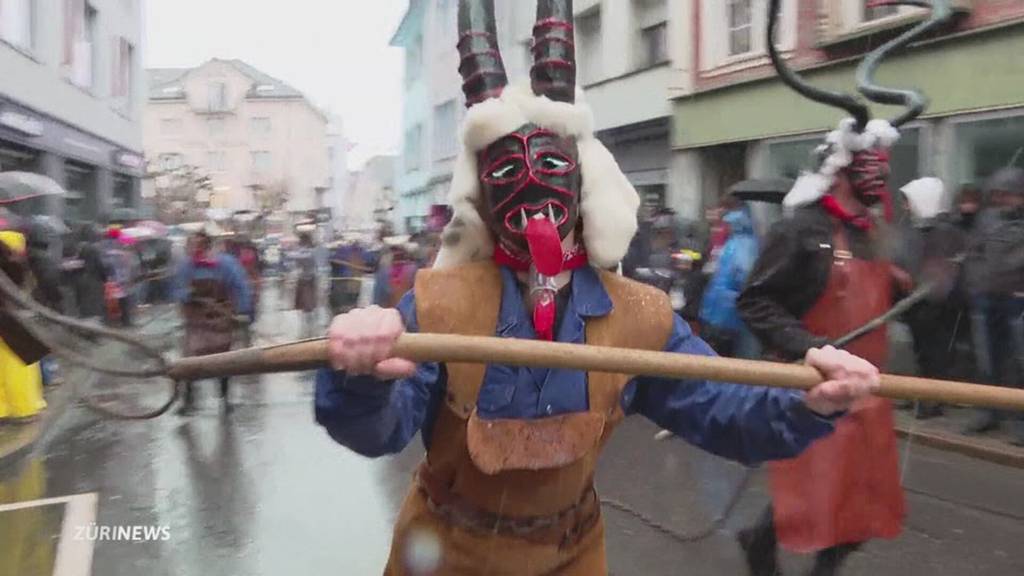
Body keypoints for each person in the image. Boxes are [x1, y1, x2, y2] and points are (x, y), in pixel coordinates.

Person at [314, 3, 880, 574]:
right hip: (443, 553)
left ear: (583, 181)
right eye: (508, 172)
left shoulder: (640, 316)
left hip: (571, 554)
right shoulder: (440, 302)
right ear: (482, 195)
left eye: (553, 167)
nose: (534, 188)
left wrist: (808, 402)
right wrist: (361, 376)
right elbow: (379, 430)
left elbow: (723, 410)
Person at [733, 2, 946, 573]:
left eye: (886, 160)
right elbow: (753, 299)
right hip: (815, 388)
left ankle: (820, 567)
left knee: (862, 505)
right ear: (847, 165)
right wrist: (809, 348)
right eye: (871, 161)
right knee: (810, 496)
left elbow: (909, 294)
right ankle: (759, 549)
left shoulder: (878, 232)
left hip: (869, 392)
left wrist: (930, 263)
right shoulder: (801, 229)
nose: (882, 170)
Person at [895, 178, 967, 419]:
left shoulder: (946, 232)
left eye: (908, 202)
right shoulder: (913, 229)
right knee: (922, 352)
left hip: (935, 304)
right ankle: (922, 395)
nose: (905, 207)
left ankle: (932, 400)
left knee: (934, 353)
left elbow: (946, 270)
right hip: (915, 303)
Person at [962, 167, 1024, 445]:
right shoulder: (987, 219)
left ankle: (1020, 421)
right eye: (997, 194)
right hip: (986, 297)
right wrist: (976, 286)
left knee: (1020, 362)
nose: (1000, 199)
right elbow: (973, 253)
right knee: (987, 360)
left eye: (1006, 194)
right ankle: (987, 412)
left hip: (1016, 300)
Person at [174, 231, 252, 414]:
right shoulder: (186, 266)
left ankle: (225, 400)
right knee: (190, 359)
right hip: (197, 320)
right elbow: (177, 289)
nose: (193, 249)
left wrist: (243, 311)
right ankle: (188, 401)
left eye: (197, 245)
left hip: (221, 318)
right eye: (191, 245)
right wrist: (187, 295)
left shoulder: (225, 264)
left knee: (223, 360)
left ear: (206, 245)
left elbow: (240, 286)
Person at [699, 204, 760, 359]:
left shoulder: (732, 244)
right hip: (734, 312)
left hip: (718, 310)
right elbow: (744, 276)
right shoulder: (747, 245)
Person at [0, 227, 47, 423]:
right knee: (20, 367)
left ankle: (3, 409)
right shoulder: (14, 265)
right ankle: (24, 408)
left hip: (9, 322)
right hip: (12, 324)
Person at [293, 232, 319, 338]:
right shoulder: (312, 251)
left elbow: (298, 259)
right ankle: (310, 327)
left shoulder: (305, 252)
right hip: (311, 280)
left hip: (305, 280)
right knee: (309, 304)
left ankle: (307, 330)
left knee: (306, 305)